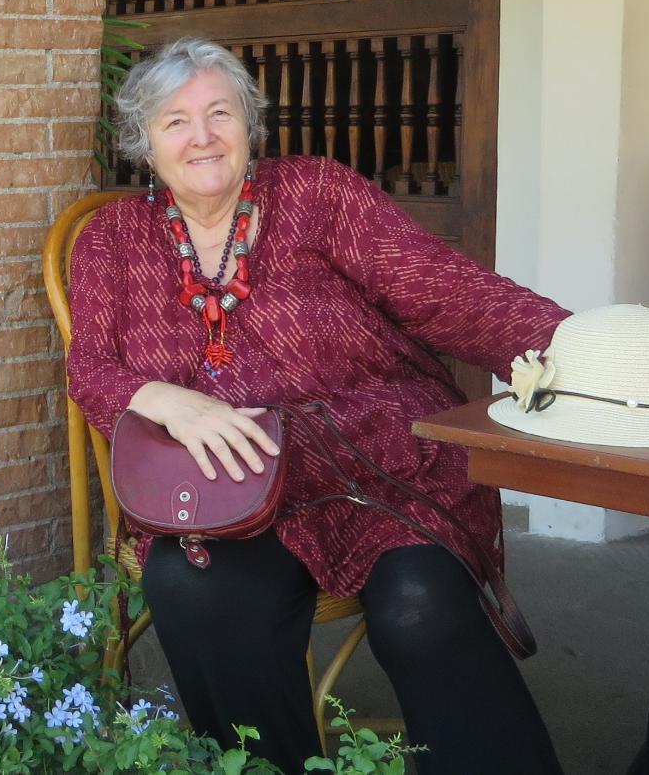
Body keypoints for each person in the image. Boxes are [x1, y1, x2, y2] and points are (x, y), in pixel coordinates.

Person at [66, 37, 568, 774]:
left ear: (250, 124)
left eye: (219, 113)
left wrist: (578, 347)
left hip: (379, 458)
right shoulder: (111, 241)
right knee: (189, 583)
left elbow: (439, 289)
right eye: (176, 122)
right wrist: (170, 401)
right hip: (235, 485)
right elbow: (90, 368)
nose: (202, 136)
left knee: (419, 603)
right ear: (144, 142)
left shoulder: (318, 195)